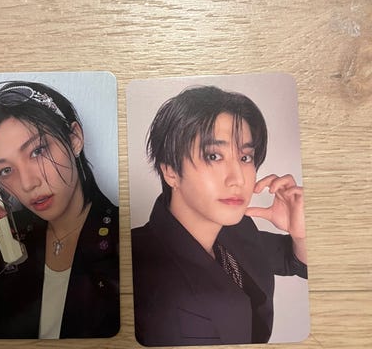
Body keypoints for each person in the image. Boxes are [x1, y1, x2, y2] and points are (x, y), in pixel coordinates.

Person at [131, 85, 307, 346]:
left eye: (245, 158)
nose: (237, 179)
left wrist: (301, 234)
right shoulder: (140, 268)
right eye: (214, 156)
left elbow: (294, 261)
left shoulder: (236, 228)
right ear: (171, 172)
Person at [0, 81, 120, 339]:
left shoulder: (127, 240)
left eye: (38, 151)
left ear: (74, 139)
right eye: (6, 170)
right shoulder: (3, 242)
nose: (28, 184)